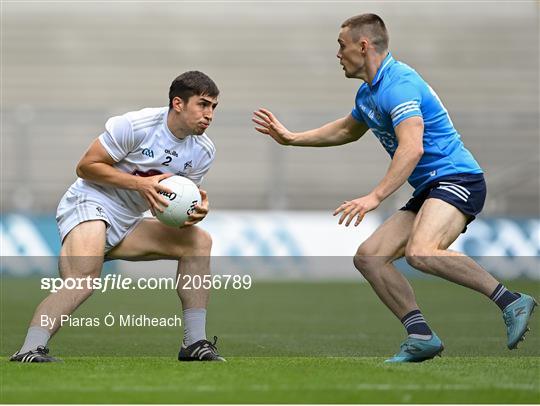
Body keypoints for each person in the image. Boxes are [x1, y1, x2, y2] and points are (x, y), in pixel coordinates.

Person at [252, 14, 537, 362]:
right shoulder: (369, 92)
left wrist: (375, 196)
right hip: (432, 187)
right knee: (369, 257)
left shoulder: (398, 84)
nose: (338, 54)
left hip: (457, 179)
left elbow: (412, 147)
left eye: (341, 46)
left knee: (422, 252)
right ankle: (421, 335)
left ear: (363, 46)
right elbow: (346, 130)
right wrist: (292, 138)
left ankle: (510, 300)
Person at [11, 71, 225, 362]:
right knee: (84, 278)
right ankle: (29, 349)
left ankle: (194, 343)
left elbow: (172, 200)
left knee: (199, 242)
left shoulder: (203, 151)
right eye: (202, 104)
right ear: (178, 103)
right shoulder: (136, 125)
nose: (209, 114)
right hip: (90, 201)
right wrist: (141, 184)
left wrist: (194, 209)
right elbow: (86, 167)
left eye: (213, 107)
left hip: (128, 220)